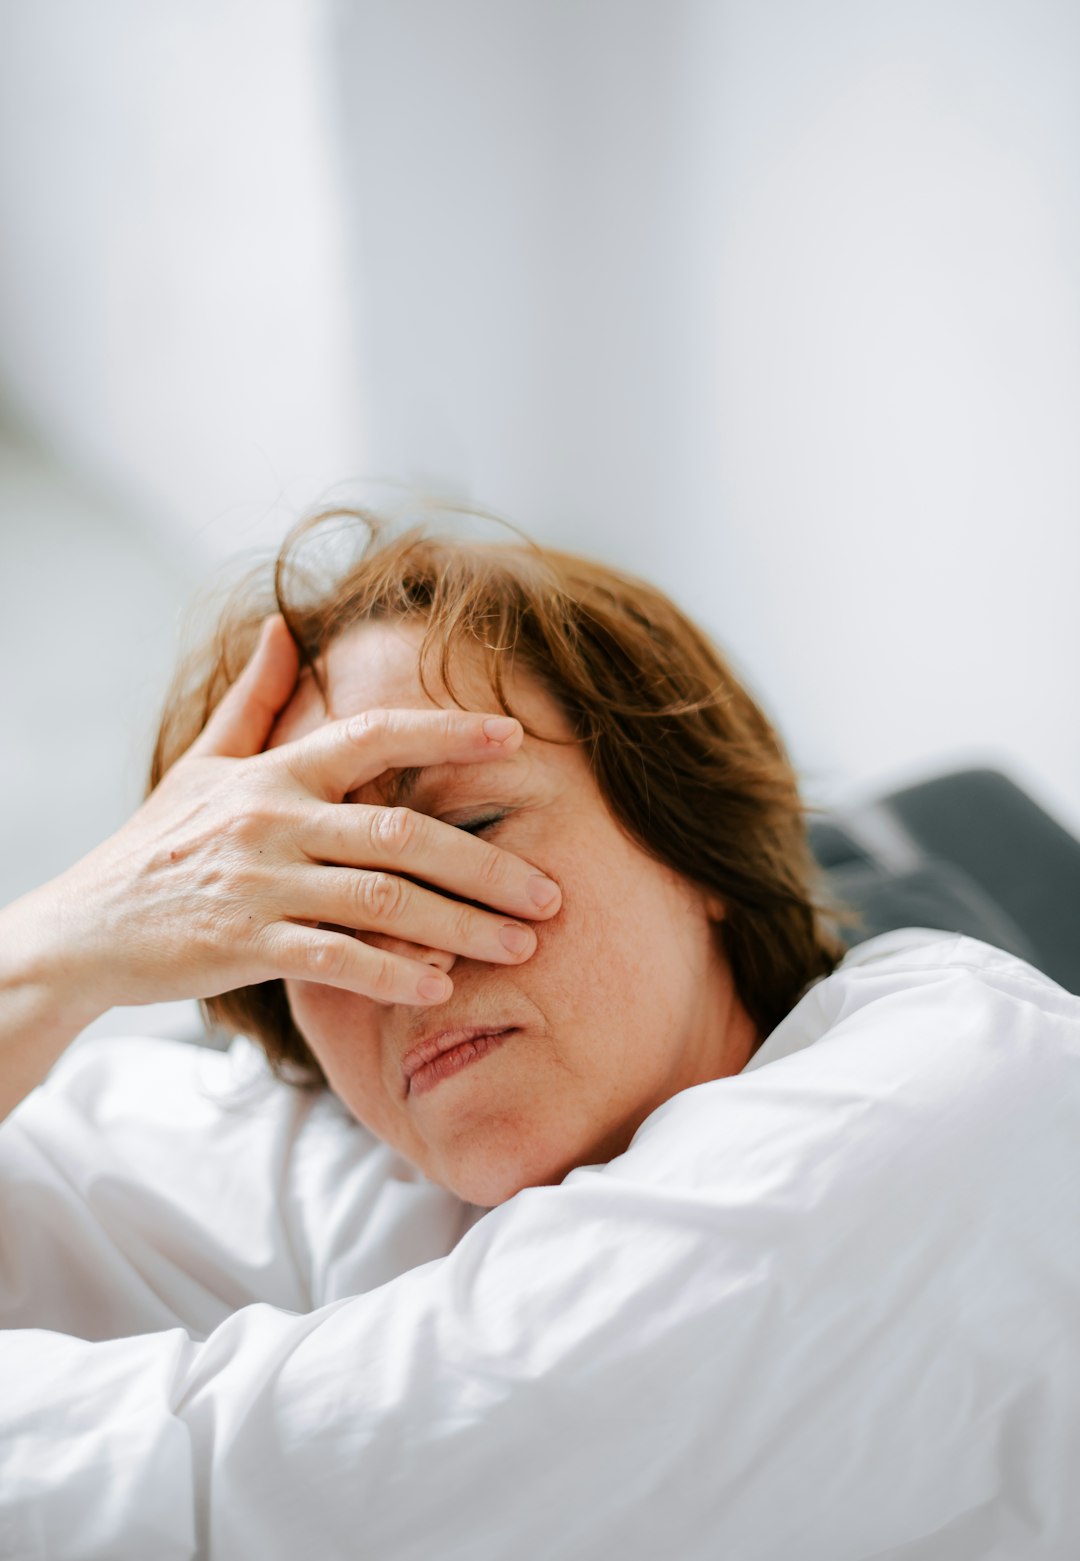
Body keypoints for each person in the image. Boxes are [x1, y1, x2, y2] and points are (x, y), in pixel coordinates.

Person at [2, 507, 1078, 1560]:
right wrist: (60, 944)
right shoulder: (356, 1156)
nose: (405, 964)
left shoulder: (940, 1100)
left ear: (691, 842)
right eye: (317, 913)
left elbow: (201, 1502)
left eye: (467, 835)